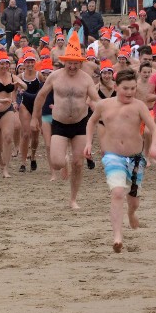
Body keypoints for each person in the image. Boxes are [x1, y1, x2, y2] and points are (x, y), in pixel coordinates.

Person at [84, 70, 156, 252]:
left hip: (135, 158)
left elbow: (154, 129)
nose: (130, 92)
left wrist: (154, 147)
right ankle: (117, 236)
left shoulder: (139, 106)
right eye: (125, 88)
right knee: (117, 192)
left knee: (133, 201)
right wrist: (88, 143)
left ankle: (131, 212)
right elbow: (91, 122)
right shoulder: (103, 105)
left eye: (133, 88)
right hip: (112, 156)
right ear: (116, 87)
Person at [32, 32, 95, 210]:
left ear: (80, 63)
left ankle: (73, 199)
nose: (73, 67)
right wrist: (34, 119)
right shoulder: (55, 76)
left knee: (79, 163)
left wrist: (104, 115)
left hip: (80, 124)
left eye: (76, 63)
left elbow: (96, 100)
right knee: (57, 162)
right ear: (64, 61)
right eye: (70, 63)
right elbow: (40, 96)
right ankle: (64, 160)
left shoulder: (86, 79)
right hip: (59, 123)